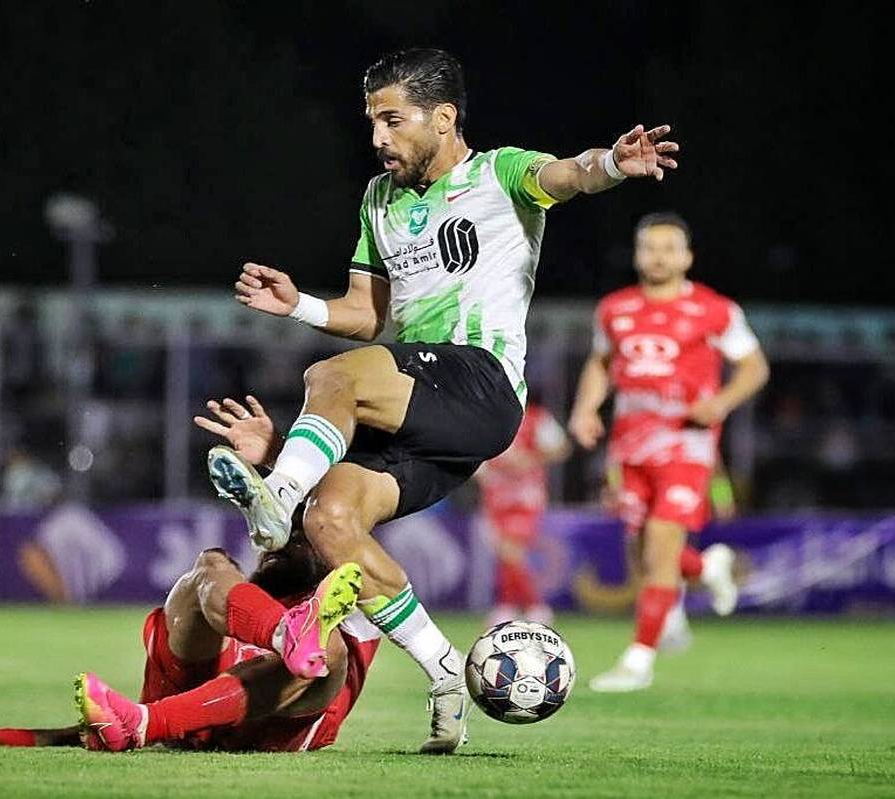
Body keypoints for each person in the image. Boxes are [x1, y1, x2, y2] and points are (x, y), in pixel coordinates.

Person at [204, 47, 679, 751]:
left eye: (393, 120)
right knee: (332, 521)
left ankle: (276, 495)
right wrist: (298, 304)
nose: (377, 137)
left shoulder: (500, 173)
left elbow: (569, 174)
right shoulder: (379, 199)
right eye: (372, 121)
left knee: (330, 379)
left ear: (444, 117)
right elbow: (368, 314)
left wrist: (611, 162)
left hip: (480, 381)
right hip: (421, 403)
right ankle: (446, 669)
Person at [0, 521, 378, 752]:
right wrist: (7, 739)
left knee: (328, 649)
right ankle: (284, 633)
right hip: (189, 710)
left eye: (301, 536)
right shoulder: (247, 593)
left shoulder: (358, 586)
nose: (285, 540)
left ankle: (147, 723)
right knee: (210, 565)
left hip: (283, 724)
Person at [568, 212, 769, 692]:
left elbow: (754, 367)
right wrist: (585, 408)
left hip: (685, 443)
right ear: (637, 255)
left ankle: (638, 661)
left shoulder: (714, 310)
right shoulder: (614, 309)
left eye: (668, 248)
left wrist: (721, 402)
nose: (658, 257)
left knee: (660, 545)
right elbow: (600, 363)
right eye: (649, 248)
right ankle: (707, 566)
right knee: (646, 549)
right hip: (629, 446)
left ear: (687, 257)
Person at [475, 400, 571, 627]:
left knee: (511, 551)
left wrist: (532, 457)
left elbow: (561, 448)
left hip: (525, 494)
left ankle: (525, 606)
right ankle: (519, 606)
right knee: (504, 552)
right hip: (496, 494)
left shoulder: (536, 418)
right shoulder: (486, 417)